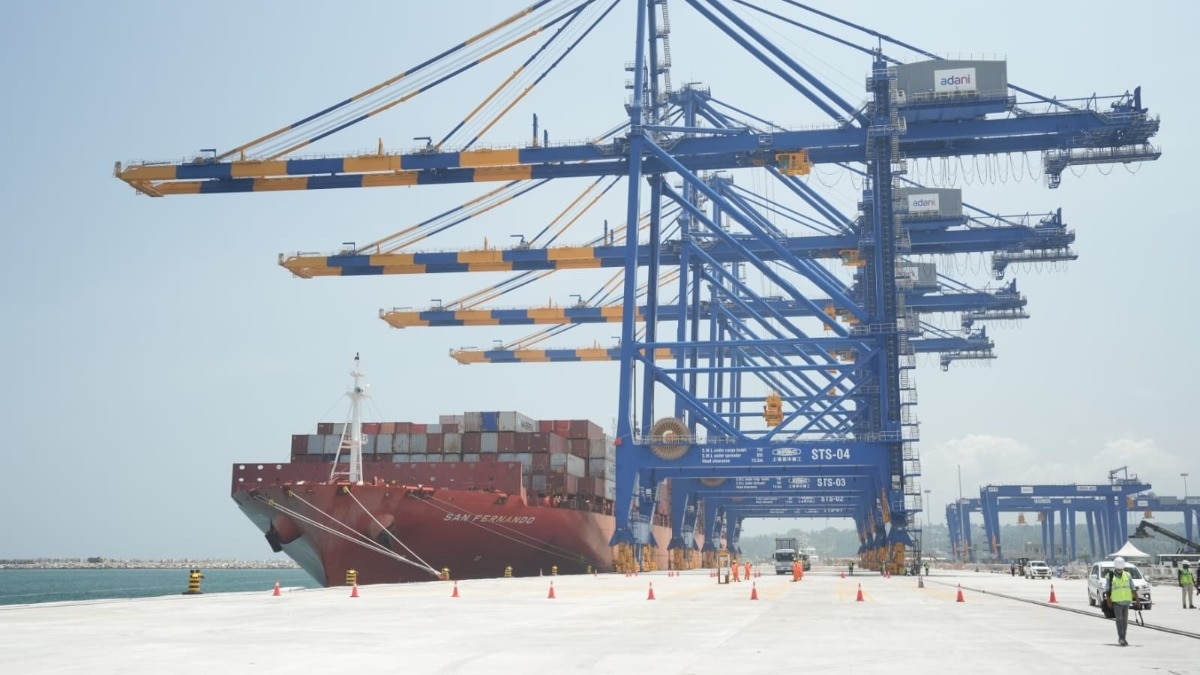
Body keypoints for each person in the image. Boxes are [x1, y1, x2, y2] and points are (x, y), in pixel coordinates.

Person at [1104, 557, 1133, 646]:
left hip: (1126, 602)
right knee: (1119, 620)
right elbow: (1107, 589)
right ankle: (1121, 638)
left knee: (1125, 621)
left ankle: (1123, 637)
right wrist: (1108, 600)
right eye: (1118, 568)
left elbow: (1132, 587)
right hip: (1117, 602)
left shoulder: (1127, 575)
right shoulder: (1110, 576)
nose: (1120, 570)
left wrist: (1138, 600)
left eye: (1121, 568)